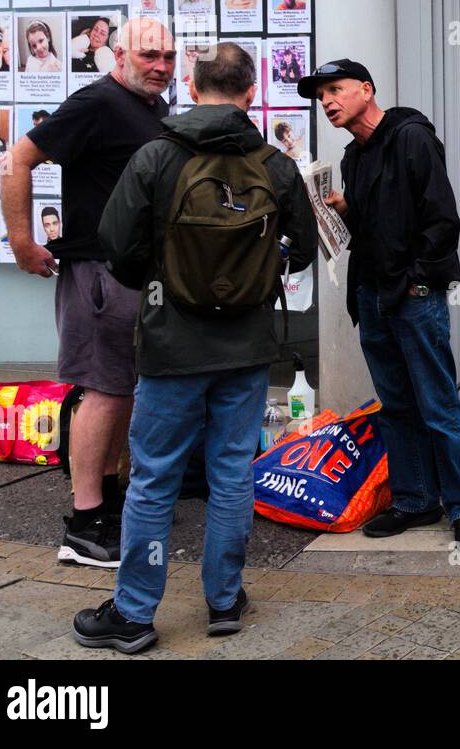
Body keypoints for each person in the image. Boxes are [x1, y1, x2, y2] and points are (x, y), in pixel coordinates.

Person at [71, 42, 317, 653]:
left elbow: (114, 242)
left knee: (154, 478)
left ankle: (133, 615)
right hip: (248, 345)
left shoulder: (156, 156)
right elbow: (305, 247)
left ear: (190, 83)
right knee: (233, 473)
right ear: (253, 92)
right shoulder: (275, 165)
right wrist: (260, 270)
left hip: (170, 343)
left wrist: (160, 281)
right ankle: (225, 600)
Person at [1, 16, 175, 570]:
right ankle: (83, 525)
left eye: (168, 57)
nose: (161, 66)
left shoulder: (149, 107)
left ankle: (107, 497)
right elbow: (16, 160)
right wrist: (23, 241)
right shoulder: (96, 101)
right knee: (103, 389)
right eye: (149, 55)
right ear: (119, 53)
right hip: (98, 270)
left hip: (129, 271)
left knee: (121, 387)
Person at [298, 59, 460, 552]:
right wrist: (344, 211)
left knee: (438, 404)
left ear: (367, 88)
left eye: (335, 91)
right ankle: (414, 500)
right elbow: (376, 227)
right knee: (397, 407)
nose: (328, 103)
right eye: (321, 98)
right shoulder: (352, 158)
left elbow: (442, 220)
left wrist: (418, 283)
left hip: (412, 297)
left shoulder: (411, 136)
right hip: (372, 295)